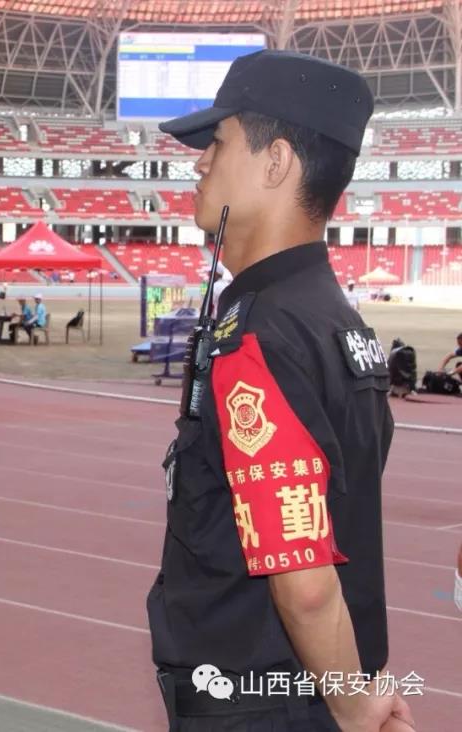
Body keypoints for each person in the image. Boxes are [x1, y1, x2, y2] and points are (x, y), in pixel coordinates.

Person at [146, 50, 415, 731]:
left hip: (259, 707)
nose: (200, 164)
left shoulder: (260, 334)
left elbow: (304, 581)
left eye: (218, 142)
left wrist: (354, 708)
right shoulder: (336, 320)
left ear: (276, 163)